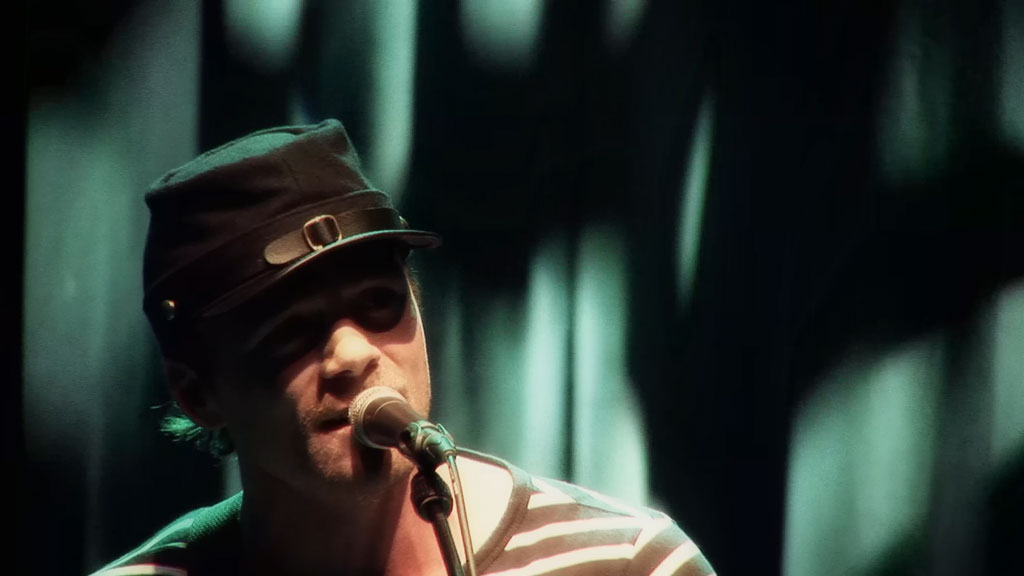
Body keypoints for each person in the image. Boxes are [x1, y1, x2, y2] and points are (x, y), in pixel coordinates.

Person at [91, 119, 716, 576]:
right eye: (289, 330)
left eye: (378, 302)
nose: (353, 354)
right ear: (198, 392)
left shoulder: (629, 563)